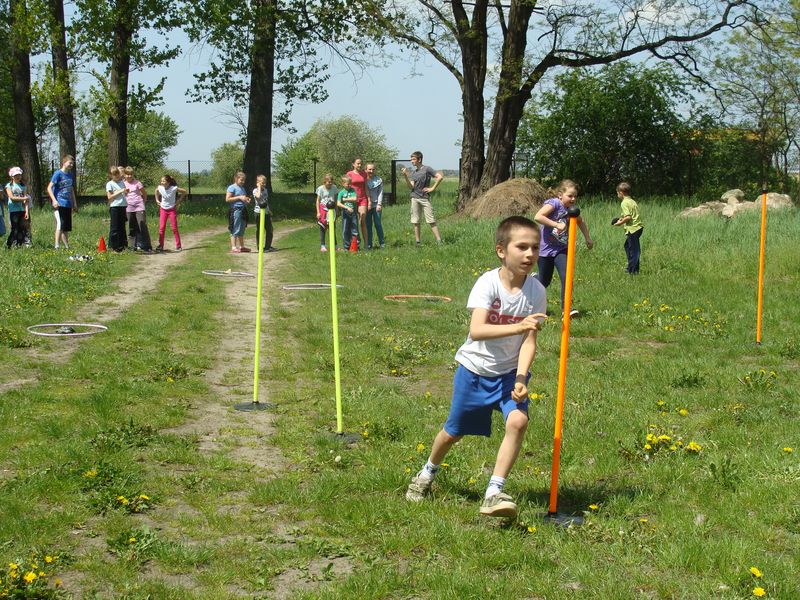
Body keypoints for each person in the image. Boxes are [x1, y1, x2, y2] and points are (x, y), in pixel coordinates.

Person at [406, 216, 547, 519]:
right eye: (521, 247)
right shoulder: (488, 283)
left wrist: (522, 377)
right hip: (474, 371)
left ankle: (493, 492)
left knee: (518, 422)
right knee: (453, 432)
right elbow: (478, 330)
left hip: (509, 373)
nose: (529, 254)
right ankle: (428, 471)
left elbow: (529, 341)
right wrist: (518, 325)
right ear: (501, 250)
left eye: (535, 248)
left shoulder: (536, 291)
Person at [533, 179, 593, 316]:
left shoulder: (572, 210)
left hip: (561, 249)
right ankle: (532, 281)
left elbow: (580, 222)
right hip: (545, 250)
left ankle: (566, 309)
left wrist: (588, 238)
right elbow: (538, 216)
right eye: (570, 196)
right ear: (560, 195)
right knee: (543, 281)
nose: (573, 199)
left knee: (567, 276)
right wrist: (556, 224)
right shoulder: (553, 204)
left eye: (575, 196)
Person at [401, 151, 442, 246]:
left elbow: (439, 177)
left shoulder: (427, 169)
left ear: (419, 159)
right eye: (411, 159)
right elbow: (411, 187)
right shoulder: (413, 173)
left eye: (413, 159)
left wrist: (432, 188)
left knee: (431, 220)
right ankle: (418, 242)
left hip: (424, 198)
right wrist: (405, 176)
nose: (411, 161)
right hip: (414, 198)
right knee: (416, 221)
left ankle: (439, 241)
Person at [47, 155, 77, 249]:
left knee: (66, 227)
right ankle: (57, 246)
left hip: (68, 204)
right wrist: (54, 200)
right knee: (60, 224)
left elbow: (71, 189)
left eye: (73, 163)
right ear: (64, 163)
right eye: (70, 163)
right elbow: (49, 188)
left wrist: (74, 203)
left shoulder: (70, 175)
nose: (71, 165)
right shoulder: (58, 174)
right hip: (59, 203)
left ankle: (67, 246)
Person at [612, 181, 643, 274]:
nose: (617, 195)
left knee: (634, 250)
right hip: (638, 228)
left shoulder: (624, 203)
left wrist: (619, 223)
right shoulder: (632, 201)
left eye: (617, 193)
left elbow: (629, 217)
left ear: (621, 193)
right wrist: (621, 219)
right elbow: (630, 215)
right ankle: (633, 268)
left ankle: (632, 271)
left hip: (633, 229)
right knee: (628, 247)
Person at [124, 166, 152, 252]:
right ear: (124, 175)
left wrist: (143, 202)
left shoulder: (137, 183)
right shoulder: (123, 184)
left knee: (142, 225)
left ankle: (147, 246)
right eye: (127, 174)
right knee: (131, 227)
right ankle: (133, 246)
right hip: (129, 207)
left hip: (139, 206)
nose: (129, 176)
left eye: (131, 174)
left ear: (133, 174)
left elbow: (144, 193)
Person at [155, 174, 186, 252]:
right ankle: (160, 245)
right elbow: (156, 191)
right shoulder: (160, 188)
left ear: (168, 182)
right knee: (161, 228)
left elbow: (184, 192)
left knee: (174, 228)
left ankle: (178, 246)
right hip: (163, 209)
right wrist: (157, 200)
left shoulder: (173, 188)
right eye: (161, 181)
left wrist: (178, 201)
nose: (162, 182)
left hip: (171, 210)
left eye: (164, 181)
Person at [226, 171, 251, 253]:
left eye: (244, 180)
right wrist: (239, 197)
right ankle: (233, 247)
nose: (243, 182)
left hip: (243, 210)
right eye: (241, 180)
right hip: (235, 210)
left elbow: (243, 198)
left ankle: (242, 247)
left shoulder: (242, 188)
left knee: (241, 229)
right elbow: (227, 199)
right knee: (235, 228)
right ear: (236, 179)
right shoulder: (231, 187)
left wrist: (247, 199)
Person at [5, 167, 30, 249]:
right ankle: (9, 244)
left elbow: (26, 200)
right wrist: (24, 198)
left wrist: (26, 211)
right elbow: (12, 197)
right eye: (16, 175)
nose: (18, 176)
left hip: (22, 210)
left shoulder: (23, 186)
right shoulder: (9, 186)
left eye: (19, 174)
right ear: (12, 176)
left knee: (22, 228)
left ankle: (19, 244)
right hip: (13, 211)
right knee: (14, 229)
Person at [346, 158, 368, 249]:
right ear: (353, 164)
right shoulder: (349, 174)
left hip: (363, 199)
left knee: (362, 219)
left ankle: (366, 245)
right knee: (353, 222)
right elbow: (346, 187)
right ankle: (354, 244)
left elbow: (366, 187)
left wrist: (369, 200)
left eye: (360, 163)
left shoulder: (364, 174)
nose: (359, 165)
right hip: (352, 200)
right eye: (358, 163)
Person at [105, 166, 128, 252]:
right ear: (111, 175)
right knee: (114, 227)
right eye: (114, 174)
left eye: (118, 173)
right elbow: (110, 197)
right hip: (114, 207)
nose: (117, 175)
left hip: (123, 206)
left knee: (122, 227)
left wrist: (125, 191)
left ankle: (122, 245)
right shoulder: (109, 184)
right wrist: (120, 191)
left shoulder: (122, 182)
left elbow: (123, 192)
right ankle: (113, 246)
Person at [315, 173, 339, 252]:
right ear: (324, 182)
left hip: (331, 210)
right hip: (323, 209)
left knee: (332, 228)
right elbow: (318, 201)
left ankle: (335, 246)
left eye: (331, 181)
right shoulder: (321, 189)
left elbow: (335, 200)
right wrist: (318, 212)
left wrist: (337, 209)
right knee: (323, 228)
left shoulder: (334, 188)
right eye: (328, 181)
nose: (330, 183)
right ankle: (323, 246)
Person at [252, 174, 275, 252]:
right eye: (262, 183)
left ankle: (267, 247)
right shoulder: (255, 190)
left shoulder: (265, 190)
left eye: (265, 183)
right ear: (258, 183)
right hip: (258, 213)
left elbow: (265, 201)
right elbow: (258, 197)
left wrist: (269, 210)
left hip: (266, 212)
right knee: (260, 230)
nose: (264, 185)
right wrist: (258, 187)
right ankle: (260, 247)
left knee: (270, 229)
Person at [365, 163, 385, 249]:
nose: (371, 171)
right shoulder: (363, 180)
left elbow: (380, 192)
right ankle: (369, 244)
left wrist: (379, 204)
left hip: (376, 205)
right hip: (366, 206)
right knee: (368, 225)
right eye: (369, 169)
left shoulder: (379, 180)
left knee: (378, 224)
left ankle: (382, 243)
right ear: (366, 170)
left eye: (373, 169)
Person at [337, 175, 358, 252]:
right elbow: (338, 203)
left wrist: (344, 199)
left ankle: (355, 246)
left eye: (350, 183)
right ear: (343, 184)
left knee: (354, 229)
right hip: (345, 213)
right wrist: (347, 207)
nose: (349, 185)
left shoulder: (353, 190)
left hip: (353, 213)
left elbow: (355, 199)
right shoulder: (341, 192)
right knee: (345, 230)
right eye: (347, 184)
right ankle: (346, 247)